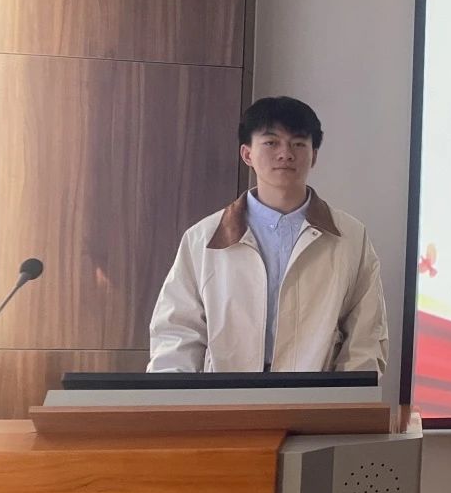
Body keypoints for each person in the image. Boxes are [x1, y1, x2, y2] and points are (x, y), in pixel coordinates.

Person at [148, 96, 387, 377]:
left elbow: (365, 336)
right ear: (247, 154)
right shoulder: (204, 239)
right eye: (271, 142)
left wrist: (346, 397)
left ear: (314, 155)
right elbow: (177, 331)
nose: (286, 153)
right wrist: (174, 396)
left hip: (316, 397)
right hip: (225, 396)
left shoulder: (350, 237)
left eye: (298, 143)